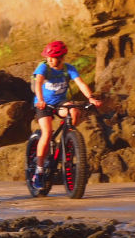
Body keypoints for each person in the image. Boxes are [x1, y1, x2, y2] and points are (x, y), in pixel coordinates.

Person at [32, 40, 102, 189]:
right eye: (48, 57)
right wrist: (41, 100)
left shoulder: (68, 69)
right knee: (47, 132)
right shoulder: (44, 67)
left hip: (59, 103)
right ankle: (38, 171)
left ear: (62, 57)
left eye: (53, 57)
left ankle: (68, 140)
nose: (49, 60)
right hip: (43, 103)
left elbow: (81, 83)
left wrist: (91, 98)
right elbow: (38, 83)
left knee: (74, 110)